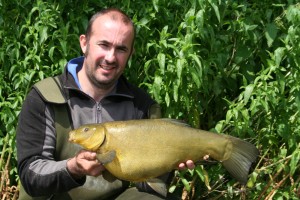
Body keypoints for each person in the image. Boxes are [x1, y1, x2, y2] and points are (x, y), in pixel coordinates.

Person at [16, 8, 194, 200]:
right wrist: (73, 167)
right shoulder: (45, 96)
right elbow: (30, 175)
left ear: (130, 53)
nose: (110, 57)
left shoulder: (142, 105)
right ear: (84, 43)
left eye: (121, 49)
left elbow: (149, 185)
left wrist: (170, 162)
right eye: (104, 45)